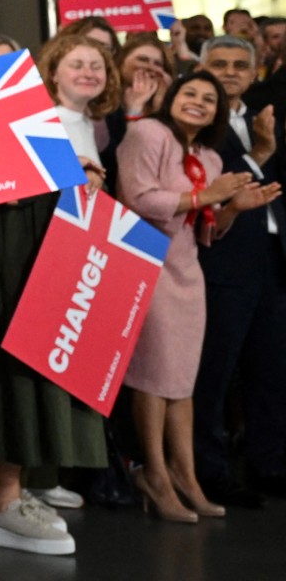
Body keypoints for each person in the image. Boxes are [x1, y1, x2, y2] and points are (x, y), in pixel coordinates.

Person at [0, 30, 112, 555]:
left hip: (29, 258)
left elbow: (65, 183)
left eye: (11, 69)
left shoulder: (42, 126)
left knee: (26, 375)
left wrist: (82, 179)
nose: (2, 80)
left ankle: (11, 493)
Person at [117, 71, 280, 522]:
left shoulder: (208, 156)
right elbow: (136, 199)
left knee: (183, 381)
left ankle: (184, 475)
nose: (198, 102)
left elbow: (207, 229)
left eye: (208, 100)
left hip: (187, 267)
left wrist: (230, 209)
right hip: (146, 262)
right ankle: (155, 474)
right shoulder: (146, 133)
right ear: (171, 96)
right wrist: (207, 195)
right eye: (190, 93)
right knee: (154, 377)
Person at [191, 36, 286, 508]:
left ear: (254, 73)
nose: (229, 72)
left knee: (272, 368)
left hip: (273, 258)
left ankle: (269, 465)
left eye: (238, 66)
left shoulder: (267, 117)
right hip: (220, 257)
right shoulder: (196, 119)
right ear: (202, 67)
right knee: (215, 371)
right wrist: (261, 155)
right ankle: (211, 474)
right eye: (219, 63)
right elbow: (215, 186)